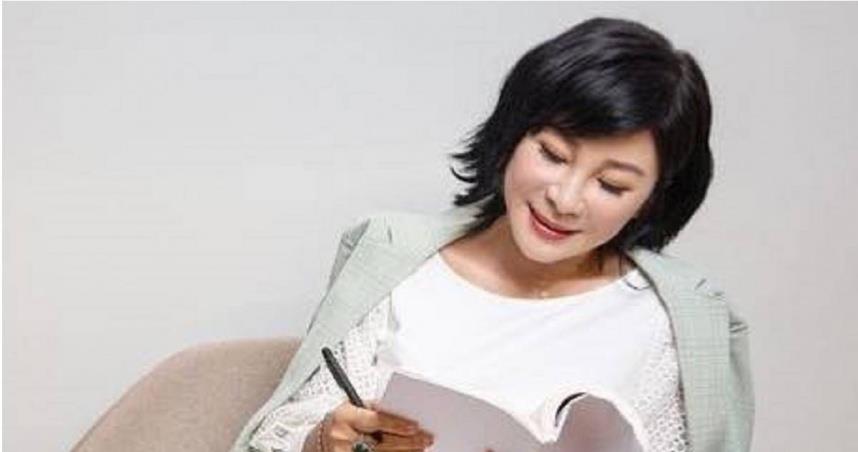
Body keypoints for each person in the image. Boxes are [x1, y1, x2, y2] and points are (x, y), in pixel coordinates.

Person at [232, 16, 754, 452]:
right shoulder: (394, 262)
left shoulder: (672, 323)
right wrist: (324, 441)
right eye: (552, 155)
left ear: (654, 198)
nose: (565, 199)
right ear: (512, 134)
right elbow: (284, 434)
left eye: (611, 185)